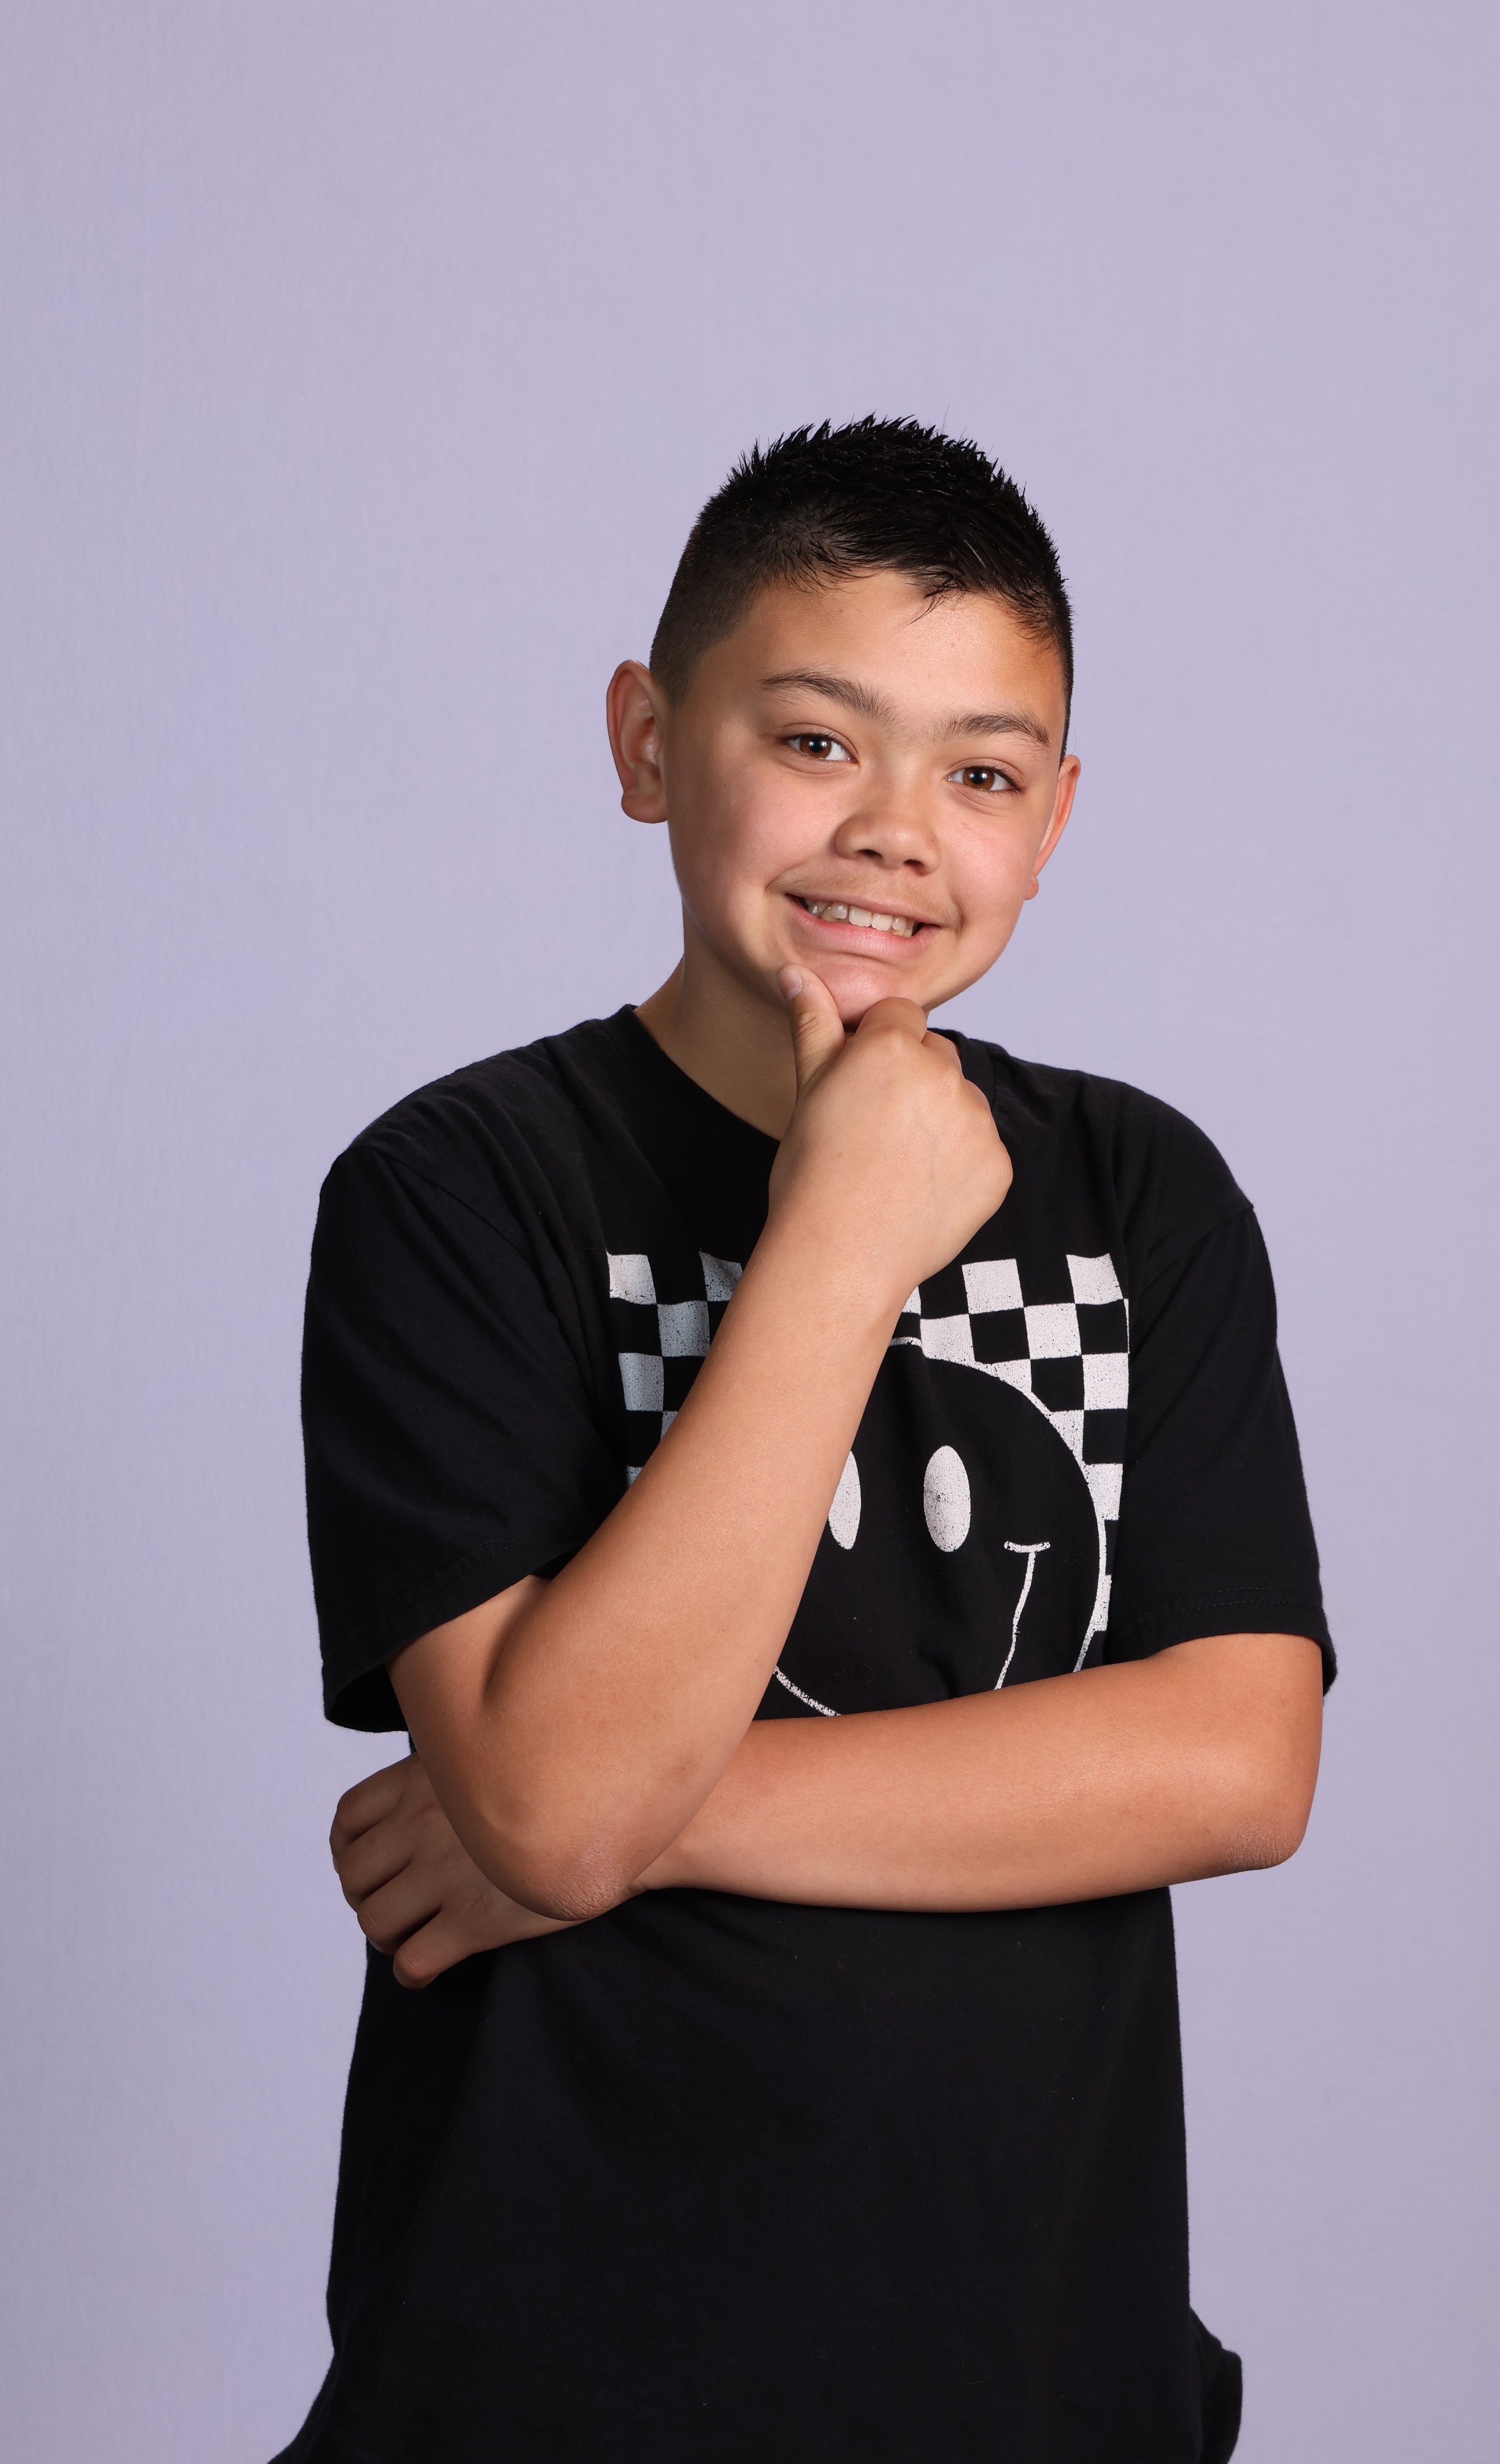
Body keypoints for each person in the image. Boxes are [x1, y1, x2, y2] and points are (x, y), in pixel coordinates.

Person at [275, 417, 1333, 2464]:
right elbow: (554, 1808)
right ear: (648, 742)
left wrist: (619, 1817)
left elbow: (1235, 1760)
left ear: (1056, 816)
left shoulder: (1138, 1196)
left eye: (982, 773)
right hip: (544, 2380)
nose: (895, 831)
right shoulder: (462, 1189)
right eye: (817, 739)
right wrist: (838, 1245)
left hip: (1042, 2377)